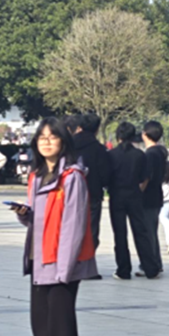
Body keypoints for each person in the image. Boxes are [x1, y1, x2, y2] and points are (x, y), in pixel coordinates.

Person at [14, 117, 97, 336]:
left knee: (60, 324)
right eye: (42, 137)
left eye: (53, 137)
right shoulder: (37, 176)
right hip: (40, 259)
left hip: (62, 262)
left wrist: (65, 268)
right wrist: (24, 215)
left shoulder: (72, 177)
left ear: (64, 142)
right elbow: (38, 219)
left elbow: (74, 224)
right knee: (41, 323)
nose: (46, 142)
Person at [108, 122, 161, 280]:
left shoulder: (111, 155)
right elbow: (145, 177)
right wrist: (139, 190)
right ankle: (151, 268)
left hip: (117, 196)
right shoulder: (139, 155)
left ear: (118, 136)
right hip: (135, 196)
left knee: (120, 234)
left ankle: (123, 270)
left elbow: (105, 177)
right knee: (141, 232)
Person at [67, 113, 110, 270]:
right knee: (91, 231)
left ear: (79, 127)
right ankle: (87, 266)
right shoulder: (99, 149)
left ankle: (69, 262)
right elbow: (105, 175)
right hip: (92, 194)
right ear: (97, 129)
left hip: (69, 194)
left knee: (71, 228)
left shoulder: (67, 145)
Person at [138, 121, 169, 276]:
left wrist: (138, 192)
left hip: (148, 197)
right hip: (156, 194)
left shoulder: (150, 154)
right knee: (151, 231)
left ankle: (150, 264)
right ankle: (155, 262)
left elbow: (146, 177)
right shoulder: (160, 152)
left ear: (145, 134)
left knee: (147, 232)